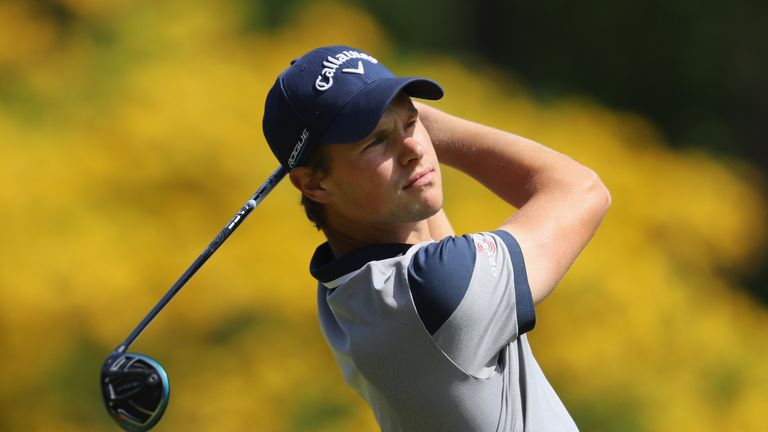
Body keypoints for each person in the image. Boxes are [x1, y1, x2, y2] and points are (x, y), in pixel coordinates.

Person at [262, 45, 610, 431]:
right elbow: (582, 189)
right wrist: (425, 123)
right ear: (313, 183)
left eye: (412, 123)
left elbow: (422, 230)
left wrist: (384, 115)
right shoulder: (436, 291)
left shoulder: (343, 289)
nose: (413, 150)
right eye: (376, 141)